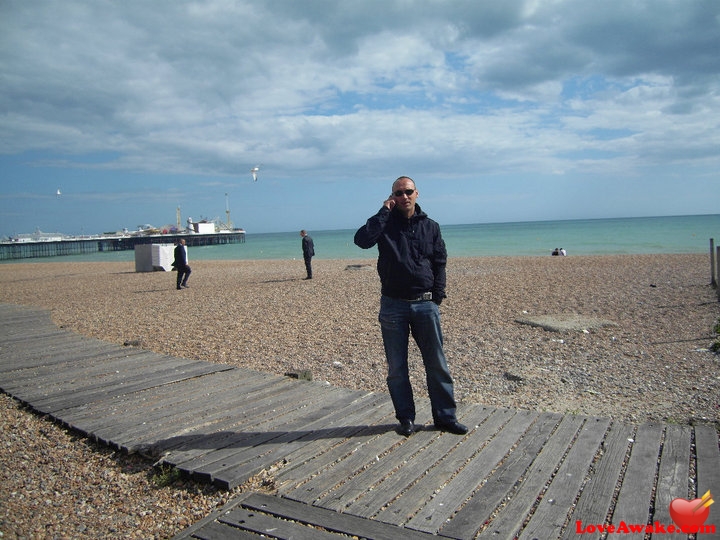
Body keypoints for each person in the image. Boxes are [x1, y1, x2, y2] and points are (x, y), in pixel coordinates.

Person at [354, 176, 467, 437]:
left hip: (425, 304)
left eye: (408, 192)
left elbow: (440, 261)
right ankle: (406, 418)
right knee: (397, 368)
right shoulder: (384, 224)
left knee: (437, 364)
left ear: (417, 194)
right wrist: (383, 212)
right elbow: (362, 240)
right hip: (393, 305)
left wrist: (438, 295)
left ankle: (446, 417)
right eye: (398, 193)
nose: (404, 196)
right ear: (392, 197)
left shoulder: (431, 226)